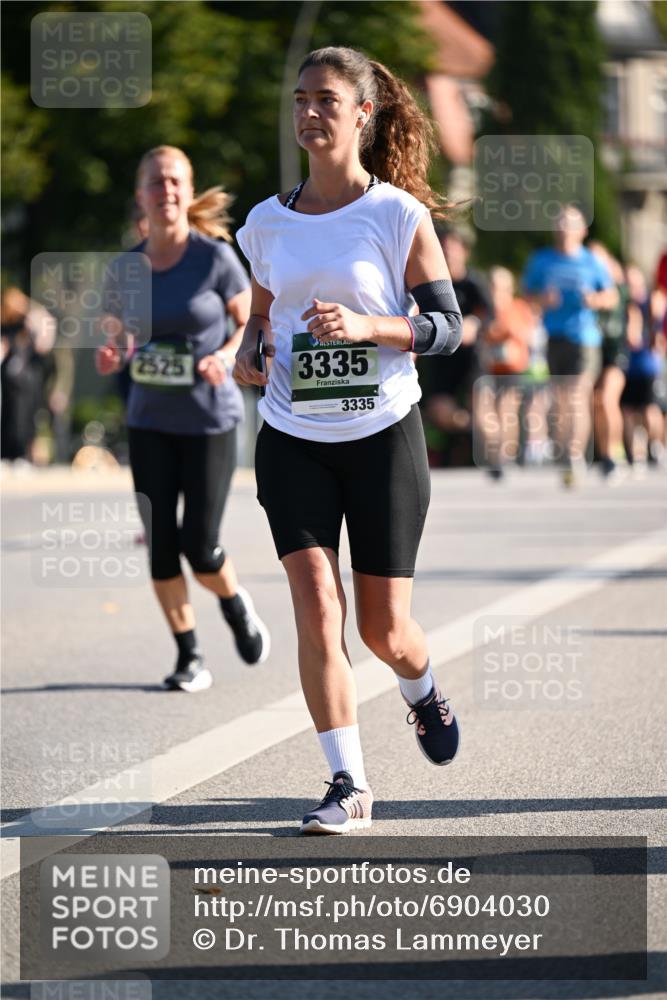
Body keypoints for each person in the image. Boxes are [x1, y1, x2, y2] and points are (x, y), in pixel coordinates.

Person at [233, 46, 463, 834]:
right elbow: (262, 314)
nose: (308, 112)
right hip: (292, 434)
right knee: (314, 602)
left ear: (362, 114)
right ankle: (347, 784)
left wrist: (369, 326)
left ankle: (420, 687)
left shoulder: (397, 215)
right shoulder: (265, 223)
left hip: (380, 435)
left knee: (382, 630)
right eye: (299, 98)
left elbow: (447, 328)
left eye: (326, 99)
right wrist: (246, 350)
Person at [96, 145, 270, 693]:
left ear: (188, 193)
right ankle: (188, 654)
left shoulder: (214, 258)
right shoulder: (126, 266)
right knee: (161, 544)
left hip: (209, 421)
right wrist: (113, 352)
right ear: (140, 194)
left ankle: (234, 601)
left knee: (200, 545)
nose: (165, 191)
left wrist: (224, 356)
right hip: (149, 420)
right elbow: (119, 334)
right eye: (155, 182)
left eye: (175, 182)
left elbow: (250, 323)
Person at [522, 205, 617, 487]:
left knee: (577, 394)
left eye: (569, 224)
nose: (563, 229)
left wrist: (595, 301)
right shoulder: (542, 260)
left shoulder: (592, 262)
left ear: (581, 231)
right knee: (561, 400)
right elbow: (527, 295)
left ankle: (574, 456)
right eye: (559, 223)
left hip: (584, 337)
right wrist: (542, 300)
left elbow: (611, 296)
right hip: (554, 337)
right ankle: (567, 452)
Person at [421, 228, 493, 466]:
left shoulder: (473, 282)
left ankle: (495, 459)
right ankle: (470, 429)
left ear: (464, 252)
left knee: (481, 404)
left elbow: (492, 316)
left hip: (471, 358)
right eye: (443, 249)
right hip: (442, 358)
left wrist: (476, 323)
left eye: (453, 248)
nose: (448, 253)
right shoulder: (432, 282)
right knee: (438, 410)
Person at [476, 266, 535, 479]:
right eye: (493, 287)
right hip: (489, 370)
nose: (497, 292)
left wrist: (504, 330)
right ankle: (495, 457)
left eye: (502, 288)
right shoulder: (484, 310)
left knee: (506, 410)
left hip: (514, 370)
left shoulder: (518, 308)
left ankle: (505, 456)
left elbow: (525, 334)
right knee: (486, 413)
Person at [588, 241, 629, 481]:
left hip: (616, 351)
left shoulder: (617, 287)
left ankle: (615, 452)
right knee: (595, 403)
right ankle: (603, 454)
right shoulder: (587, 284)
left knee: (607, 399)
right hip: (593, 349)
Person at [1, 287, 56, 464]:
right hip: (9, 380)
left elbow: (44, 343)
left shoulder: (34, 319)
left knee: (26, 417)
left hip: (29, 379)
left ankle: (23, 455)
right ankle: (7, 454)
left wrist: (30, 310)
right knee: (8, 417)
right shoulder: (7, 325)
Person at [621, 264, 666, 468]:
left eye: (634, 282)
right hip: (626, 364)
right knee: (628, 410)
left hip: (648, 364)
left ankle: (654, 446)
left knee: (649, 407)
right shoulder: (623, 305)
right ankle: (631, 453)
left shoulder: (653, 302)